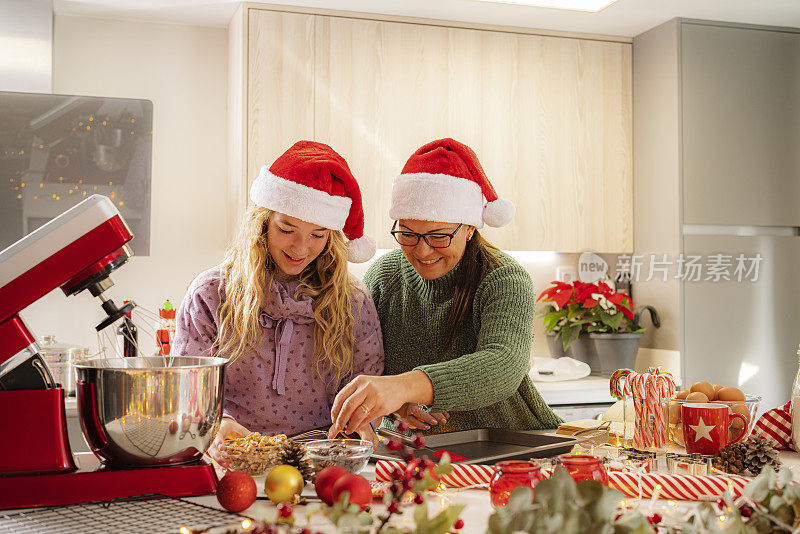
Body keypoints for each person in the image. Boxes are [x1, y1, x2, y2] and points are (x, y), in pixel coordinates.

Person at [328, 138, 562, 437]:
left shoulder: (504, 278)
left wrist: (404, 386)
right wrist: (399, 406)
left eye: (439, 236)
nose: (423, 251)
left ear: (469, 227)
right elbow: (367, 363)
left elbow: (503, 365)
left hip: (511, 443)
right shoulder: (384, 276)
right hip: (418, 450)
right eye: (408, 234)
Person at [173, 141, 384, 459]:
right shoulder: (210, 295)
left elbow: (365, 387)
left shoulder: (354, 302)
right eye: (287, 229)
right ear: (262, 223)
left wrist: (362, 424)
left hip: (322, 463)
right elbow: (186, 388)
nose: (301, 248)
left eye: (318, 234)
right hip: (231, 461)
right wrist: (218, 425)